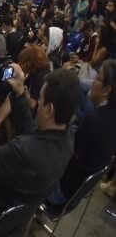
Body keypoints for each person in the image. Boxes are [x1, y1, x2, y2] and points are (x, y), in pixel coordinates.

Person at [0, 65, 79, 213]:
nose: (38, 104)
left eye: (40, 100)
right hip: (23, 205)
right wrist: (20, 93)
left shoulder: (24, 151)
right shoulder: (67, 136)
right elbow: (30, 132)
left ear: (49, 109)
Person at [49, 59, 116, 204]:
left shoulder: (95, 119)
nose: (92, 82)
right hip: (77, 193)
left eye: (97, 78)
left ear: (107, 89)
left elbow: (66, 153)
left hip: (60, 191)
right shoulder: (107, 116)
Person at [0, 45, 50, 145]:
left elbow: (32, 104)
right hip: (33, 110)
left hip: (35, 114)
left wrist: (22, 88)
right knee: (10, 98)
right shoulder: (37, 71)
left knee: (10, 100)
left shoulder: (40, 77)